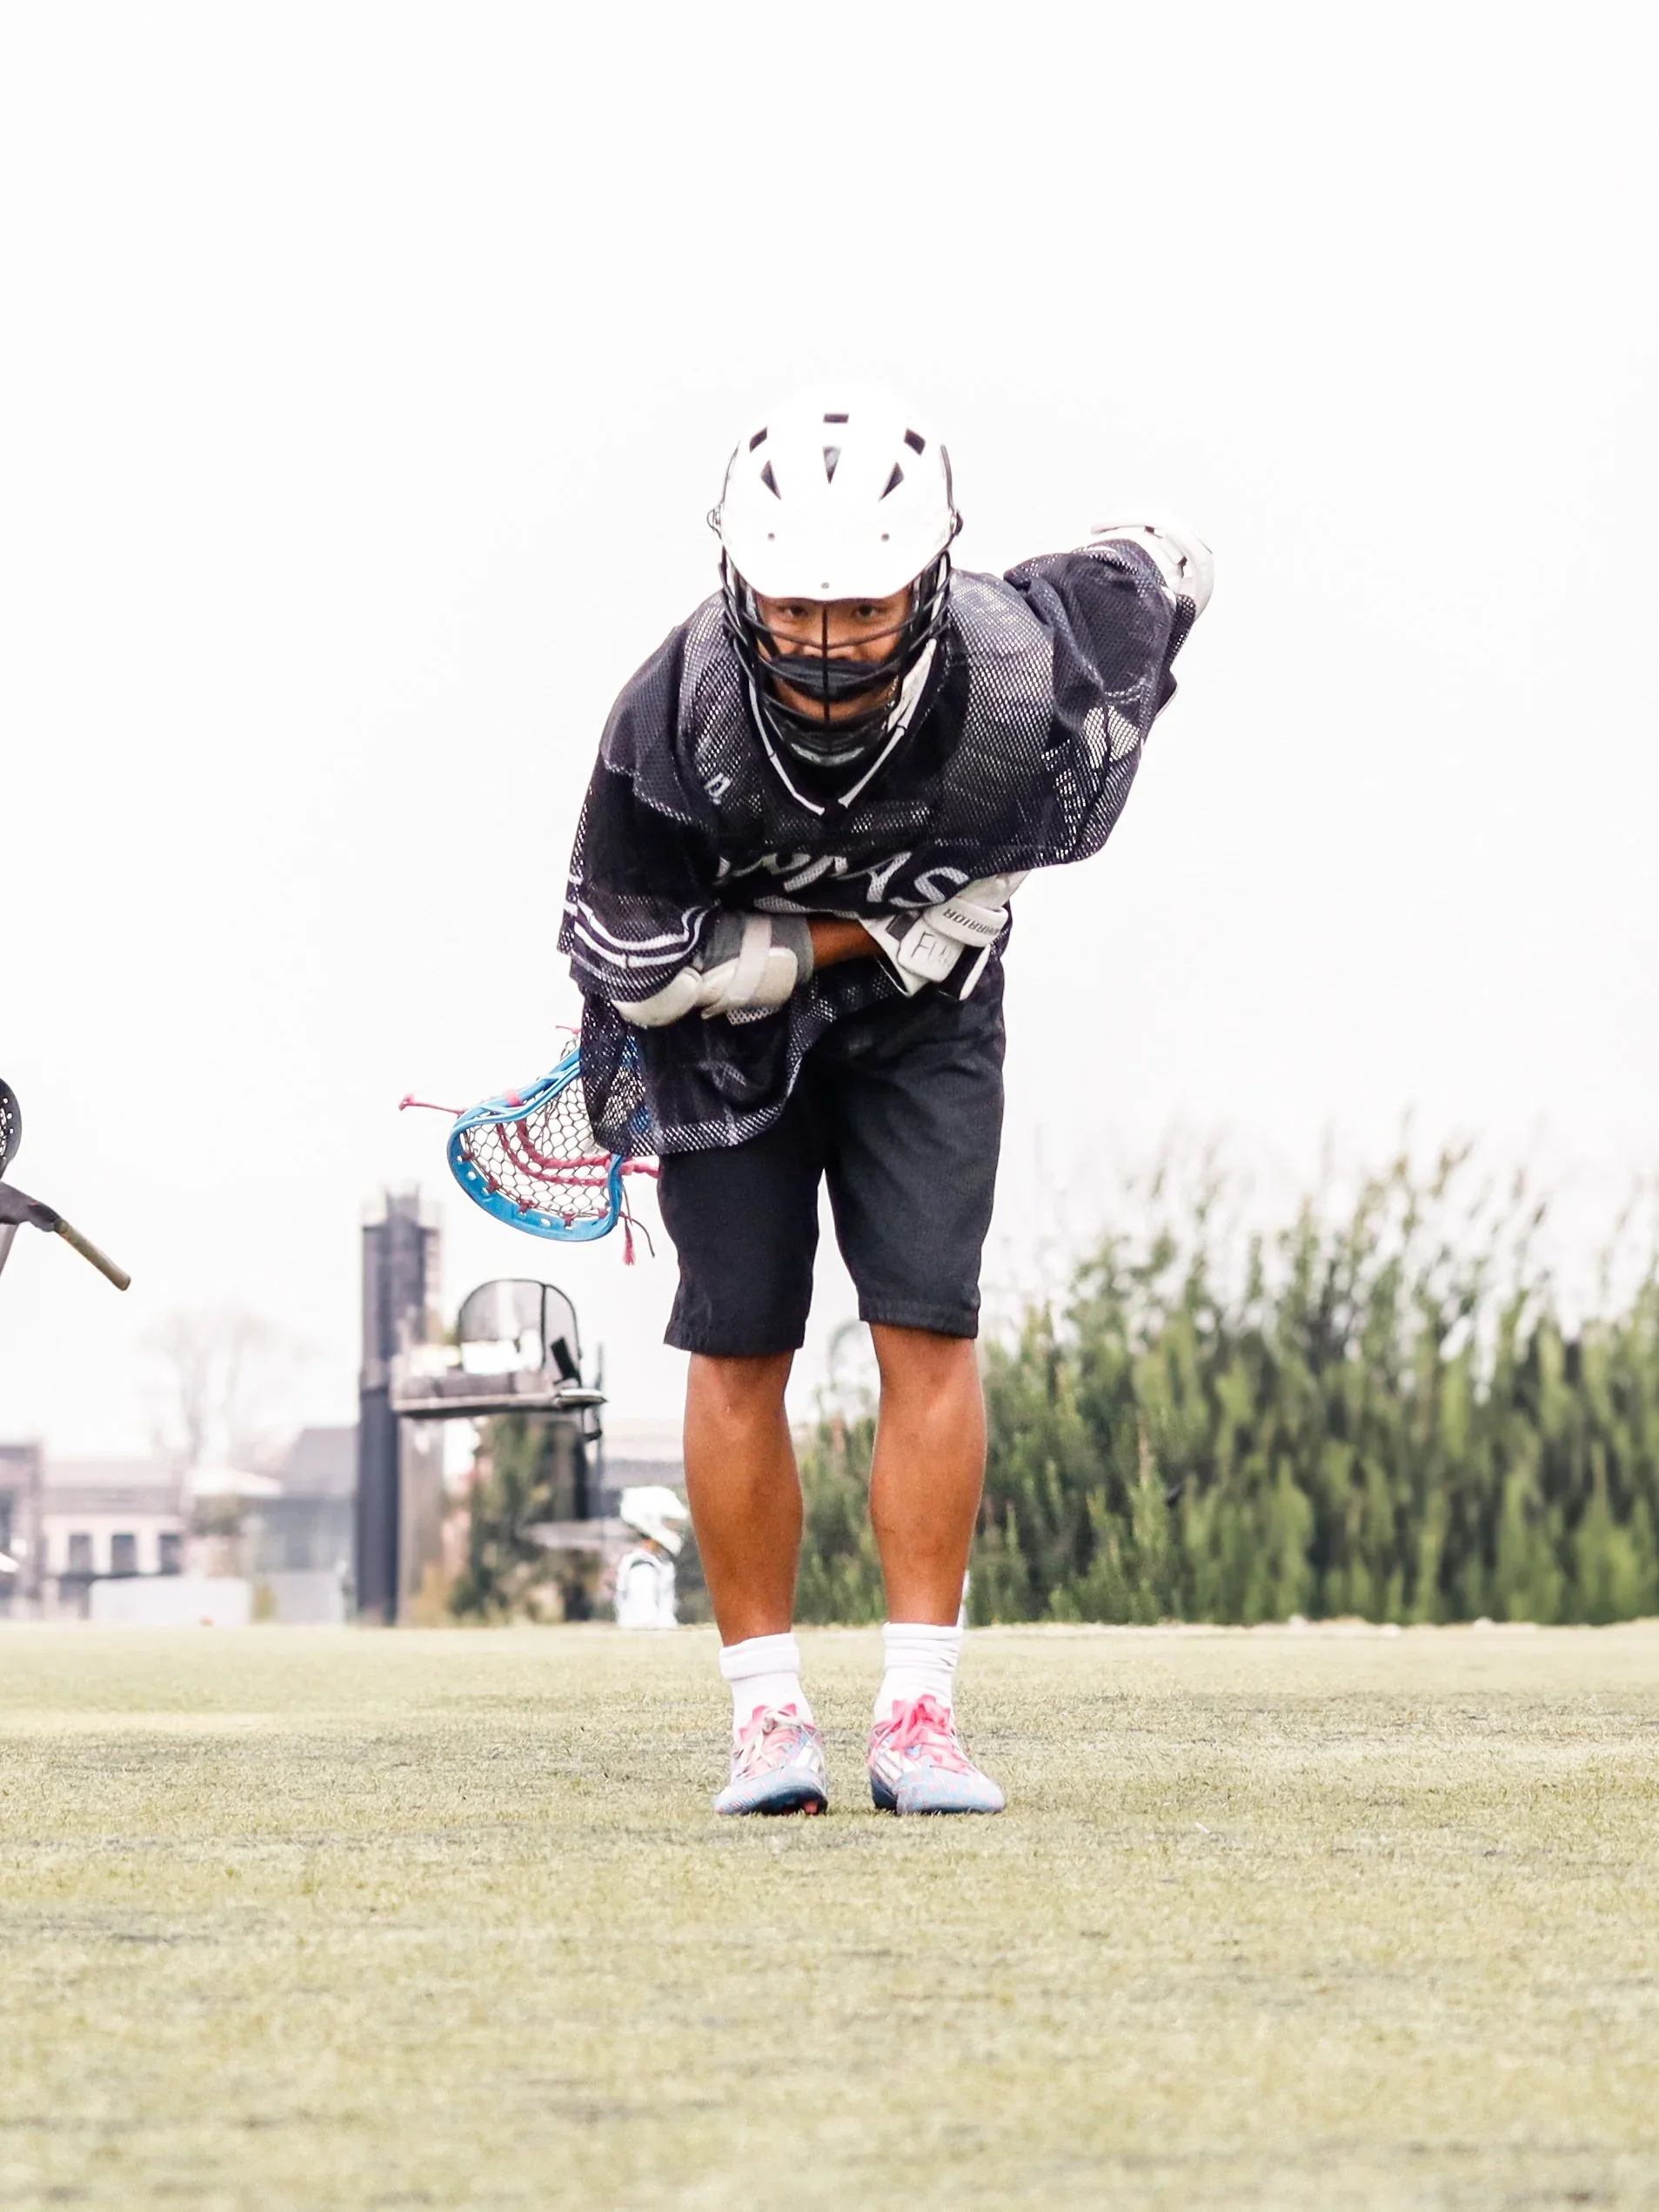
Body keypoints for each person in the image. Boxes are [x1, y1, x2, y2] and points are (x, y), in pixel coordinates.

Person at [560, 387, 1211, 1815]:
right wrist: (837, 940)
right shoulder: (672, 717)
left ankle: (918, 1713)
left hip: (930, 1027)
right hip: (731, 1042)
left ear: (931, 576)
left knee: (929, 1320)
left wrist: (976, 894)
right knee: (738, 1341)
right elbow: (626, 958)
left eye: (861, 604)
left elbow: (1169, 562)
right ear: (740, 578)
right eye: (795, 603)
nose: (826, 635)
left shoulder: (1023, 664)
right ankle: (766, 1717)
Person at [612, 1484, 689, 1629]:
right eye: (668, 1521)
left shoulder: (658, 1561)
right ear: (652, 1521)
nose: (675, 1527)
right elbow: (645, 1619)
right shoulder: (642, 1566)